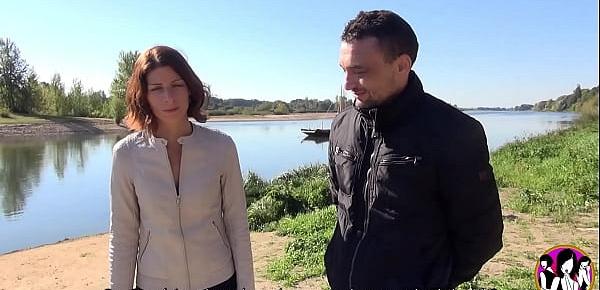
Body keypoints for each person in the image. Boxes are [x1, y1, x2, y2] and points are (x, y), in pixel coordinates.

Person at [325, 10, 504, 289]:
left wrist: (430, 281)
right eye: (344, 70)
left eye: (359, 72)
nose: (347, 85)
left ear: (402, 65)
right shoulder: (342, 126)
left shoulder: (454, 132)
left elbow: (482, 235)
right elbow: (340, 202)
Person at [108, 45, 254, 290]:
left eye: (176, 85)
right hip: (155, 283)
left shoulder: (221, 147)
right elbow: (123, 235)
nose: (168, 97)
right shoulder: (126, 155)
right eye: (156, 89)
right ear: (144, 95)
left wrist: (247, 287)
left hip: (218, 280)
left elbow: (237, 224)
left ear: (190, 88)